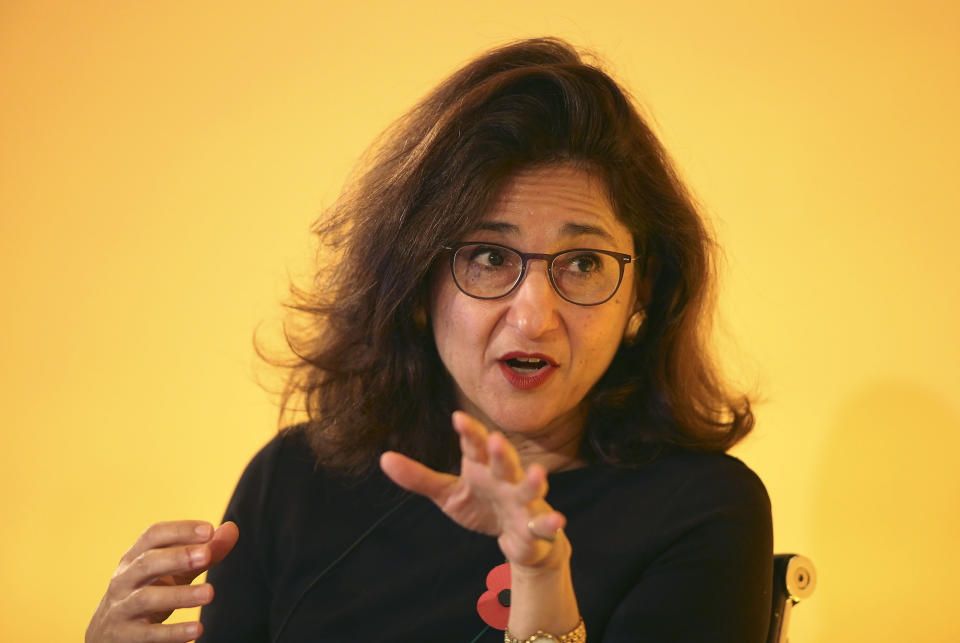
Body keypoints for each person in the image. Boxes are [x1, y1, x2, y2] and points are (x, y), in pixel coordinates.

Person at [86, 37, 772, 643]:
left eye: (584, 263)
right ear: (417, 286)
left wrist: (540, 577)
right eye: (488, 258)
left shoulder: (704, 510)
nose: (534, 316)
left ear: (641, 292)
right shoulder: (295, 483)